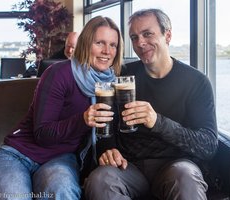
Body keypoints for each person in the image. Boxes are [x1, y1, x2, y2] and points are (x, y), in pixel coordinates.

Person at [84, 8, 218, 200]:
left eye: (147, 34)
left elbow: (208, 145)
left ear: (168, 35)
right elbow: (107, 127)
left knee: (185, 176)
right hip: (128, 167)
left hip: (175, 166)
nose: (140, 43)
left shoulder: (196, 82)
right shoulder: (120, 75)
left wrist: (157, 122)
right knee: (100, 179)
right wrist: (108, 150)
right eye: (134, 37)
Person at [0, 16, 123, 200]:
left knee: (62, 190)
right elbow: (42, 134)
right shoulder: (59, 73)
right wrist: (82, 120)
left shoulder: (111, 83)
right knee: (14, 196)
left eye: (113, 45)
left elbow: (106, 135)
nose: (107, 51)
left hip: (61, 158)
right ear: (86, 43)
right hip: (19, 154)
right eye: (100, 43)